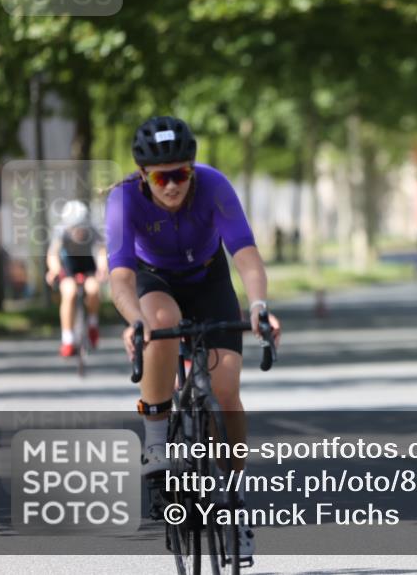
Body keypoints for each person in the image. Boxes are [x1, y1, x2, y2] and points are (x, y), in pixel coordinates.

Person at [105, 116, 281, 565]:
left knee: (225, 393)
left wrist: (259, 305)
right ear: (143, 175)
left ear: (193, 169)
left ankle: (235, 502)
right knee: (161, 320)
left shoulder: (213, 185)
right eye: (161, 177)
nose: (172, 186)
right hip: (154, 280)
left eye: (181, 174)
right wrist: (133, 321)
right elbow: (121, 278)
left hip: (208, 280)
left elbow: (246, 254)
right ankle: (156, 442)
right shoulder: (124, 199)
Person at [46, 199, 108, 357]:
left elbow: (101, 251)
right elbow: (53, 254)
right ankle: (67, 339)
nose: (78, 231)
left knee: (93, 290)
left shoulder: (92, 230)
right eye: (74, 227)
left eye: (81, 227)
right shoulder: (61, 231)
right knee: (70, 292)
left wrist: (102, 268)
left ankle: (93, 323)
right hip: (68, 267)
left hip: (87, 266)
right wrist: (55, 270)